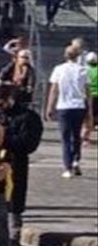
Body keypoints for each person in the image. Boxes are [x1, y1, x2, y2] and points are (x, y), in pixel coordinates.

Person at [0, 83, 40, 246]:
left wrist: (5, 138)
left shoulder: (28, 117)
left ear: (10, 100)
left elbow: (29, 144)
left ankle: (12, 236)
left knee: (14, 199)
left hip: (16, 162)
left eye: (1, 103)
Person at [46, 45, 92, 177]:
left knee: (65, 137)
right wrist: (89, 110)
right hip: (78, 105)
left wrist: (50, 106)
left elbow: (54, 89)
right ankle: (76, 160)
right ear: (78, 57)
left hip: (64, 106)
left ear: (65, 56)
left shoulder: (59, 69)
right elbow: (88, 92)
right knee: (76, 135)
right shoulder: (83, 70)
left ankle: (67, 166)